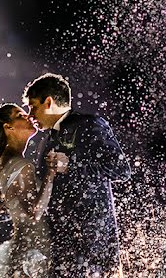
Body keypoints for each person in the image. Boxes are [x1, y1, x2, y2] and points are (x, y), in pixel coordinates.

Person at [23, 72, 131, 278]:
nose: (31, 114)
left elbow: (121, 170)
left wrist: (72, 165)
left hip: (93, 243)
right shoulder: (47, 140)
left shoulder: (89, 124)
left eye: (33, 106)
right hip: (62, 245)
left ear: (48, 102)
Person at [0, 103, 62, 278]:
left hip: (22, 247)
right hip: (33, 251)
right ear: (8, 127)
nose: (28, 117)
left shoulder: (3, 163)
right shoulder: (22, 165)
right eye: (20, 115)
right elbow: (35, 212)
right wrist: (51, 173)